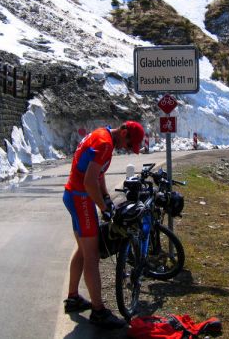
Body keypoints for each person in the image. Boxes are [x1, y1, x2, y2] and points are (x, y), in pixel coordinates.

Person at [62, 120, 145, 329]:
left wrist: (106, 198)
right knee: (92, 256)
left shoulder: (102, 135)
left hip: (73, 194)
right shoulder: (105, 144)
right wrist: (105, 208)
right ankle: (98, 312)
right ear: (123, 131)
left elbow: (98, 174)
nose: (126, 149)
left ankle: (73, 298)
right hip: (81, 197)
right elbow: (90, 181)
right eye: (128, 144)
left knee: (82, 251)